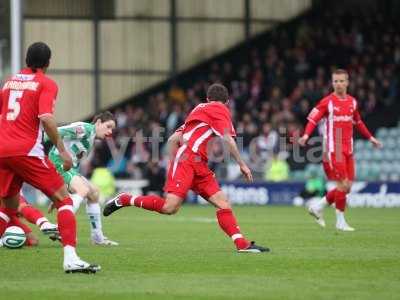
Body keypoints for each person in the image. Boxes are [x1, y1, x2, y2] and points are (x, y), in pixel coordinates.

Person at [104, 83, 269, 253]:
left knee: (223, 203)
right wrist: (242, 164)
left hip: (197, 164)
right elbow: (227, 138)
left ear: (207, 99)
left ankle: (242, 244)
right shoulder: (219, 108)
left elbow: (173, 139)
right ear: (226, 102)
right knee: (170, 208)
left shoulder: (197, 111)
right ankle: (125, 199)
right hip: (188, 161)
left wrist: (173, 162)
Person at [0, 42, 99, 273]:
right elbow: (46, 118)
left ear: (26, 60)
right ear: (48, 62)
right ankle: (71, 259)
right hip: (26, 151)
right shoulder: (46, 83)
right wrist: (62, 151)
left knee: (9, 207)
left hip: (2, 150)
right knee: (64, 200)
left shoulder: (9, 82)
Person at [298, 69, 382, 231]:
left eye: (341, 81)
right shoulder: (327, 102)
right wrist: (306, 135)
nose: (338, 84)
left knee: (348, 186)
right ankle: (340, 221)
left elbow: (358, 122)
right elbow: (312, 119)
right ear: (332, 83)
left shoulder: (352, 102)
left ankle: (317, 207)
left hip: (349, 147)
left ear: (347, 82)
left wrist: (371, 138)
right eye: (335, 81)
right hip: (335, 147)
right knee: (342, 184)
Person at [46, 112, 118, 245]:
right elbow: (54, 132)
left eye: (112, 129)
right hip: (58, 163)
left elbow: (75, 163)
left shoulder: (90, 139)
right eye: (108, 126)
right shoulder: (84, 129)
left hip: (68, 169)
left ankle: (97, 238)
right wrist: (35, 144)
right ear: (98, 123)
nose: (110, 132)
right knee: (83, 189)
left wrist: (63, 190)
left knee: (94, 193)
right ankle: (60, 226)